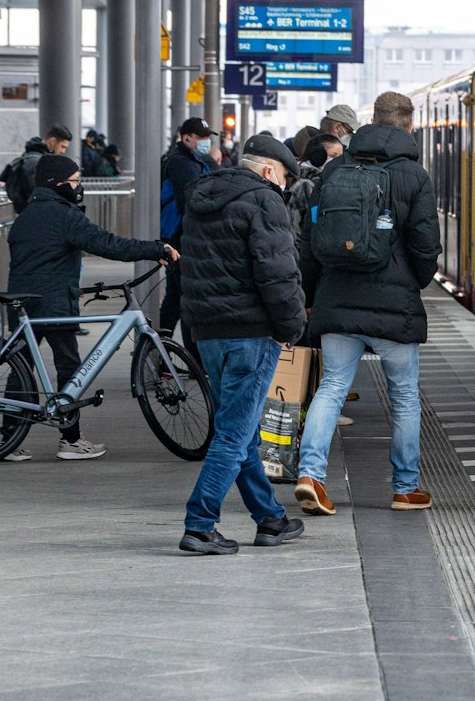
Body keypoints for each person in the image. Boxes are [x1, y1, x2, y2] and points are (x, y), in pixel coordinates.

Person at [293, 92, 441, 515]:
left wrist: (307, 294)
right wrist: (414, 280)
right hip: (395, 304)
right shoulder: (414, 176)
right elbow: (426, 244)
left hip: (338, 297)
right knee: (405, 396)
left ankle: (311, 477)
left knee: (332, 387)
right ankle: (405, 488)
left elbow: (310, 239)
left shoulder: (336, 167)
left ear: (371, 121)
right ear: (408, 127)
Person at [175, 135, 308, 555]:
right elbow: (278, 273)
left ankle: (270, 519)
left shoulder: (201, 198)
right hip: (251, 333)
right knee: (233, 433)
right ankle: (200, 524)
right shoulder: (265, 202)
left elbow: (191, 267)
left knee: (242, 428)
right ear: (270, 170)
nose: (285, 185)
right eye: (285, 176)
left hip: (208, 331)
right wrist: (292, 326)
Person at [4, 154, 177, 461]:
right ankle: (70, 439)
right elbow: (107, 244)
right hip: (54, 304)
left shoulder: (26, 215)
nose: (78, 186)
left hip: (23, 303)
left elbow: (39, 260)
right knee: (70, 369)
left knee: (21, 369)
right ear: (57, 184)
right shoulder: (64, 215)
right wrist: (154, 249)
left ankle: (9, 439)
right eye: (74, 181)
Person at [158, 118, 216, 336]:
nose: (206, 142)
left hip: (179, 236)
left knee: (175, 297)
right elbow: (192, 201)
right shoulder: (182, 163)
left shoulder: (190, 160)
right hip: (181, 237)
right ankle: (191, 359)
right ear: (187, 138)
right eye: (202, 138)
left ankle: (160, 352)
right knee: (188, 299)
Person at [0, 124, 73, 211]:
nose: (63, 151)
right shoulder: (37, 163)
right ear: (52, 141)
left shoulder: (30, 157)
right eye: (62, 146)